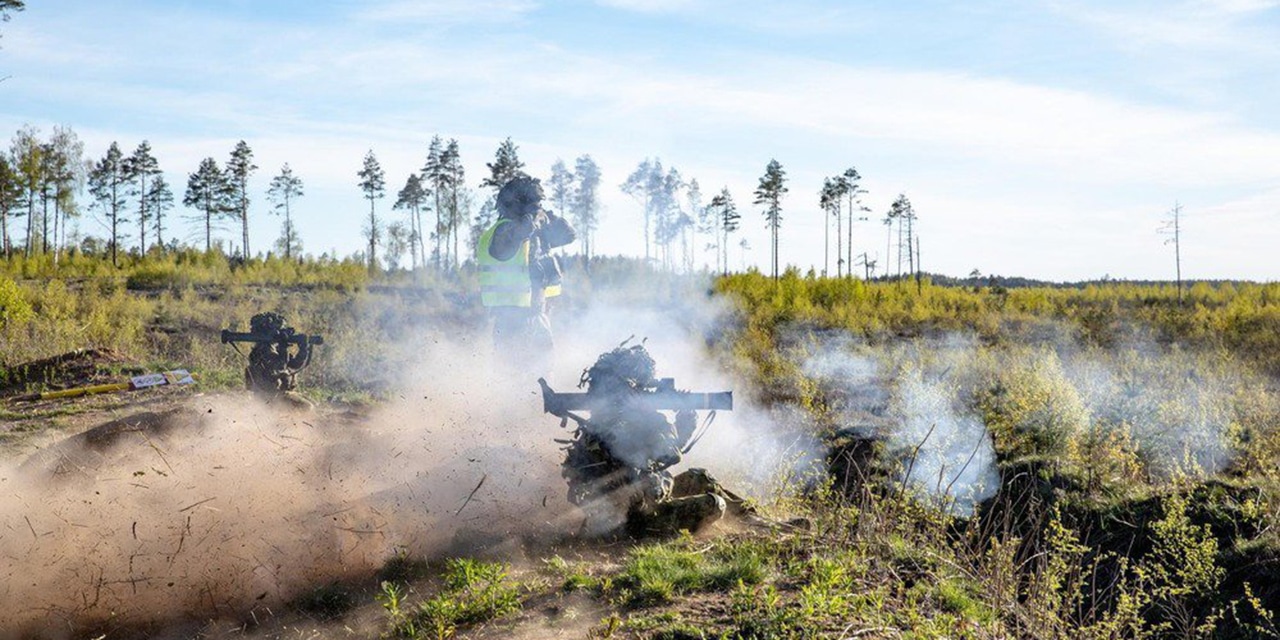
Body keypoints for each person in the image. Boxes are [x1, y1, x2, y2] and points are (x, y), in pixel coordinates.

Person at [476, 176, 576, 366]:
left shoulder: (535, 233)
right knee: (513, 372)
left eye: (539, 204)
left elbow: (569, 234)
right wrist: (534, 220)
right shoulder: (504, 230)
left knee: (542, 370)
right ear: (516, 204)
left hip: (537, 313)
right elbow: (519, 234)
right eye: (534, 204)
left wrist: (547, 217)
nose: (538, 208)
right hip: (511, 318)